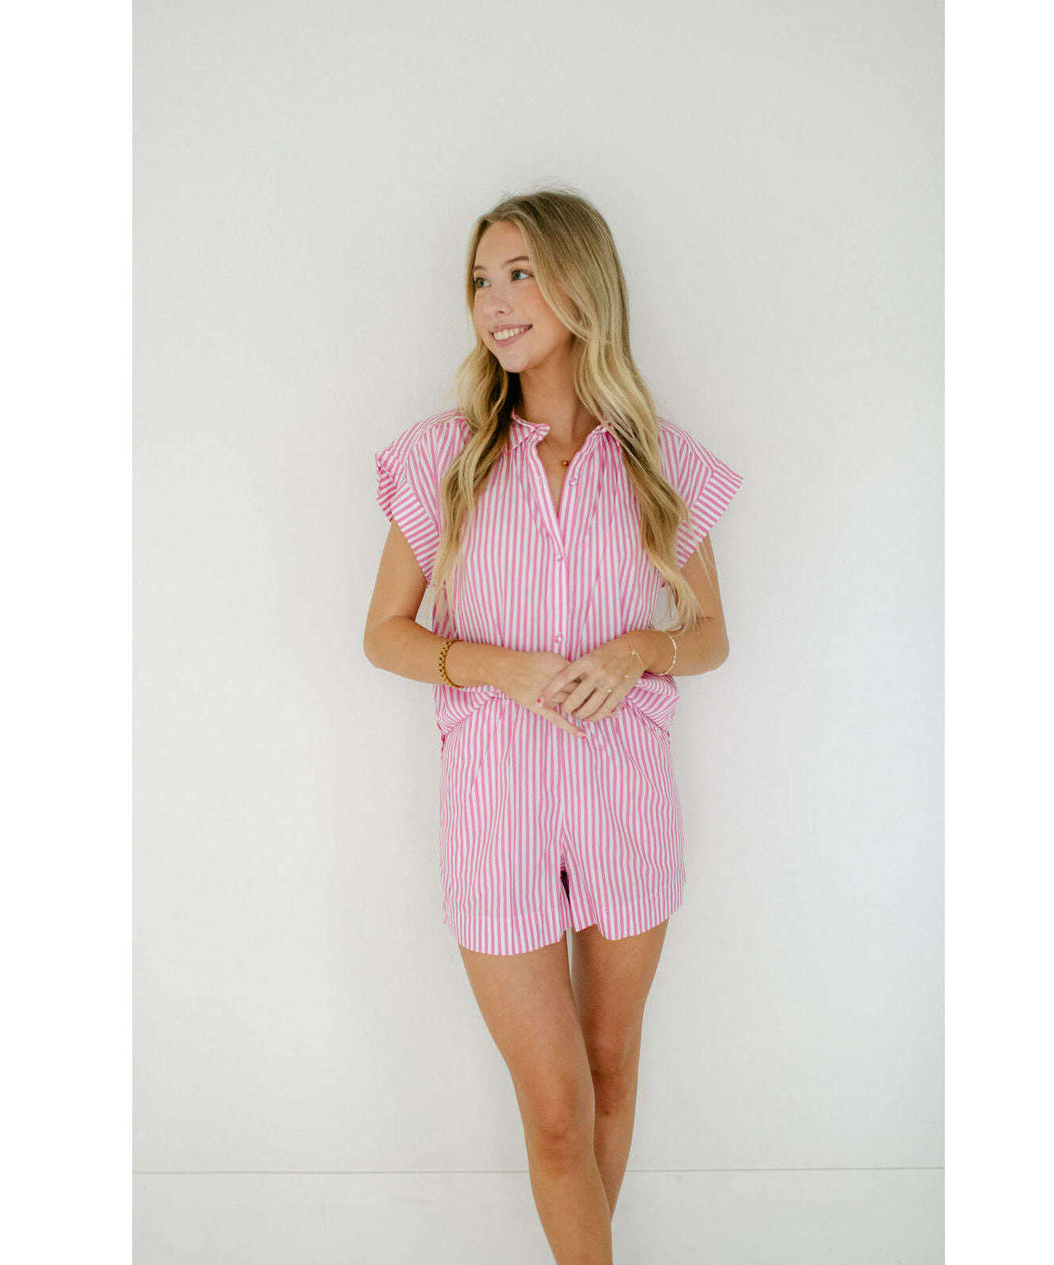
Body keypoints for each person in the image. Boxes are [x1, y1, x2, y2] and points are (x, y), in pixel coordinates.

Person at [363, 188, 742, 1264]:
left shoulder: (659, 459)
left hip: (627, 800)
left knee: (610, 1071)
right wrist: (498, 665)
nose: (494, 299)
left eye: (520, 272)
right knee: (557, 1109)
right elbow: (383, 634)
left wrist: (640, 648)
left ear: (581, 282)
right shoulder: (444, 459)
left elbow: (711, 633)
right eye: (480, 279)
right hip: (497, 807)